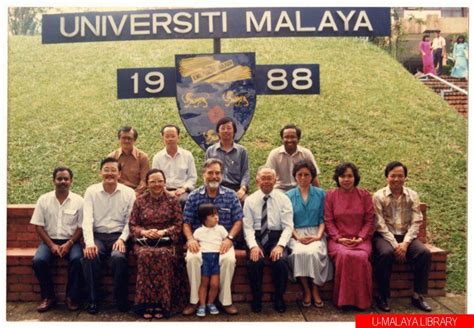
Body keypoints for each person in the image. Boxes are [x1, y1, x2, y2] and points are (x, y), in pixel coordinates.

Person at [182, 158, 243, 316]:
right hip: (199, 242)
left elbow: (238, 220)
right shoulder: (194, 196)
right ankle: (194, 302)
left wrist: (229, 238)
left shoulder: (230, 195)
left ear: (222, 175)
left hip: (223, 241)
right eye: (210, 173)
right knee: (192, 259)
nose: (214, 176)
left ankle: (225, 301)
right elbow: (186, 222)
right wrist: (190, 239)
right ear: (204, 175)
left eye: (217, 173)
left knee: (228, 260)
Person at [373, 161, 432, 312]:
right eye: (393, 176)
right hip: (385, 237)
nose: (397, 179)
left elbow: (416, 221)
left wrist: (405, 243)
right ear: (387, 177)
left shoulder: (413, 195)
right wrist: (395, 244)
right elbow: (379, 224)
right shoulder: (379, 196)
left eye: (400, 176)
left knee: (424, 253)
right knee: (386, 253)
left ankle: (417, 295)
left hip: (406, 237)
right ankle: (382, 296)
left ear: (405, 177)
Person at [128, 168, 188, 319]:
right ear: (147, 184)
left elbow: (179, 223)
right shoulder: (140, 201)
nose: (156, 184)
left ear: (165, 182)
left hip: (167, 240)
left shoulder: (172, 200)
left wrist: (164, 232)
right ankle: (146, 304)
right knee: (145, 255)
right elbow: (133, 224)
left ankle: (163, 304)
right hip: (144, 241)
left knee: (163, 254)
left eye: (160, 181)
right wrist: (144, 232)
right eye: (153, 181)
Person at [81, 157, 136, 314]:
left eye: (113, 170)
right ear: (100, 172)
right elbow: (87, 219)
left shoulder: (129, 193)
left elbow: (130, 221)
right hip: (98, 235)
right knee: (90, 256)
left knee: (118, 257)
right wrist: (89, 243)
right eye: (106, 170)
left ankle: (121, 299)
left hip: (119, 235)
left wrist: (122, 239)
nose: (110, 173)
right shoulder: (91, 191)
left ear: (119, 174)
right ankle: (93, 299)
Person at [30, 167, 84, 312]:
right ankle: (49, 297)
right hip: (49, 241)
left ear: (71, 181)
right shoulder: (44, 199)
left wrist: (70, 243)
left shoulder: (79, 201)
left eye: (66, 179)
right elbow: (39, 226)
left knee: (78, 260)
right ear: (53, 180)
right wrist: (51, 245)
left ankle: (71, 297)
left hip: (72, 241)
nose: (63, 182)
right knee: (39, 261)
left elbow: (80, 227)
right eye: (59, 179)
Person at [324, 162, 375, 310]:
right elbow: (328, 220)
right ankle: (343, 301)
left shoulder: (364, 195)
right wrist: (339, 238)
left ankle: (361, 302)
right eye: (342, 176)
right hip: (338, 240)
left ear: (355, 177)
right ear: (337, 178)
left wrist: (360, 237)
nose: (346, 179)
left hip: (361, 240)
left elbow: (369, 220)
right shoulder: (331, 195)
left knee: (360, 257)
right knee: (345, 256)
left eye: (349, 176)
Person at [243, 166, 293, 313]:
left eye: (269, 178)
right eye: (263, 178)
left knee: (281, 261)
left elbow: (288, 226)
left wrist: (280, 246)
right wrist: (253, 246)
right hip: (257, 236)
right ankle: (257, 298)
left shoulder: (284, 199)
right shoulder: (250, 200)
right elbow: (247, 227)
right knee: (254, 261)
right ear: (257, 180)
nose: (266, 181)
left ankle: (279, 298)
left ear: (275, 180)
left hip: (276, 237)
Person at [286, 160, 333, 308]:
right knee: (298, 253)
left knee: (313, 253)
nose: (303, 178)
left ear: (312, 176)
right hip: (296, 234)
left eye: (307, 174)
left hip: (316, 232)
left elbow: (323, 219)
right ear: (295, 176)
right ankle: (306, 290)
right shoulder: (288, 195)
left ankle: (315, 289)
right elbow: (287, 221)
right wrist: (297, 237)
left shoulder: (320, 194)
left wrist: (318, 236)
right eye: (299, 174)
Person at [193, 204, 228, 317]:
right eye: (212, 215)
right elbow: (194, 242)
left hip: (216, 258)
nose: (216, 217)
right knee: (204, 283)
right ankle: (202, 305)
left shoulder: (221, 229)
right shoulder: (199, 231)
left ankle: (210, 303)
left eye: (216, 214)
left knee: (214, 284)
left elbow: (227, 239)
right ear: (204, 218)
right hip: (205, 259)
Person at [205, 117, 250, 203]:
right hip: (216, 186)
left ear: (234, 132)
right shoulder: (210, 150)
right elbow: (206, 172)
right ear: (218, 132)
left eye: (229, 128)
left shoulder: (242, 151)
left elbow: (245, 172)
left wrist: (242, 189)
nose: (226, 131)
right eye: (223, 128)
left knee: (246, 201)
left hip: (236, 188)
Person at [152, 124, 197, 208]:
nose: (170, 139)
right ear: (163, 138)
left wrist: (183, 189)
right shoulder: (157, 157)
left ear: (178, 137)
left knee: (184, 201)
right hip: (162, 190)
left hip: (183, 191)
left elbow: (192, 177)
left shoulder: (187, 155)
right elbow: (155, 179)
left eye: (173, 136)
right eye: (167, 136)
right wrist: (165, 191)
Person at [266, 124, 320, 191]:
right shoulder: (274, 154)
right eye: (286, 137)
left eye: (293, 137)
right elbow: (268, 176)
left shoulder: (306, 153)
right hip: (280, 189)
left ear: (298, 139)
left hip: (301, 188)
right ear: (282, 139)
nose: (289, 140)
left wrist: (318, 194)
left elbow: (314, 176)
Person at [108, 126, 150, 194]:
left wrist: (134, 194)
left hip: (136, 193)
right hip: (116, 193)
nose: (126, 141)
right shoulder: (112, 157)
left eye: (129, 138)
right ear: (119, 139)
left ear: (134, 140)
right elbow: (109, 178)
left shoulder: (143, 157)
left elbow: (144, 181)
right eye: (123, 138)